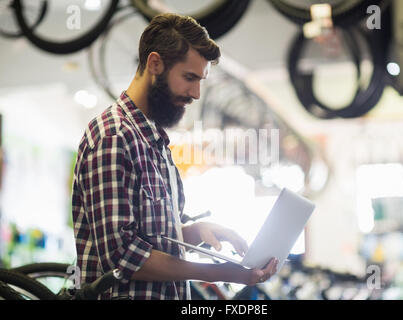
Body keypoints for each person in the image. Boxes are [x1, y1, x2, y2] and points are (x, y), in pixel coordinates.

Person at [71, 13, 278, 300]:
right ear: (155, 63)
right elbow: (123, 257)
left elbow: (152, 238)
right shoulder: (113, 137)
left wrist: (194, 231)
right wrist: (225, 273)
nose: (195, 93)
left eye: (201, 80)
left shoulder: (154, 141)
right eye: (189, 78)